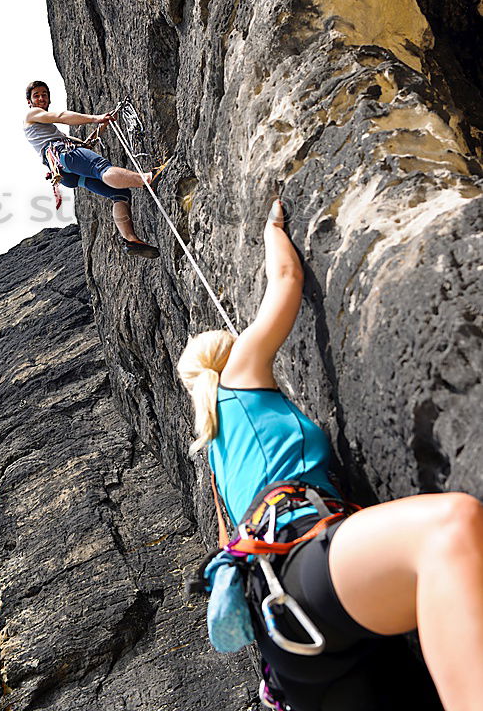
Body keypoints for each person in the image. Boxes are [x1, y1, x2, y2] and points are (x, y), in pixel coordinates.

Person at [178, 199, 483, 711]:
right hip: (304, 571)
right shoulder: (236, 380)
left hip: (290, 632)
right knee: (446, 529)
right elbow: (285, 282)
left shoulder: (217, 458)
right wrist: (273, 228)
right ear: (226, 353)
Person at [24, 80, 159, 258]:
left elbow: (85, 146)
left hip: (66, 174)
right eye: (36, 95)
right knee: (100, 168)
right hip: (64, 155)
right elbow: (62, 116)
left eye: (44, 95)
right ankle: (148, 179)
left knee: (121, 194)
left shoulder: (47, 131)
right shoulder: (32, 115)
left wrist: (103, 125)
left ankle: (130, 240)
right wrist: (96, 118)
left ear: (49, 99)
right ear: (30, 102)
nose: (41, 98)